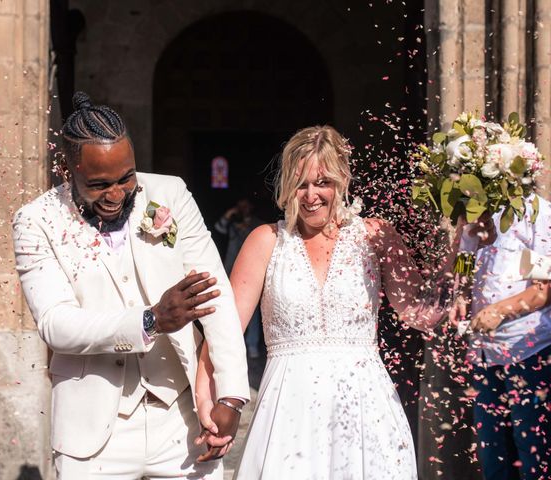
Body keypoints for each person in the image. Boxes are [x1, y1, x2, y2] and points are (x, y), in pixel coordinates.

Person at [195, 125, 491, 479]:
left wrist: (465, 246)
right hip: (288, 407)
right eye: (300, 184)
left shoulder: (376, 236)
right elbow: (224, 332)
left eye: (323, 182)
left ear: (343, 180)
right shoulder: (265, 241)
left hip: (366, 409)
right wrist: (211, 403)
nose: (310, 195)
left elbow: (421, 312)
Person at [13, 92, 250, 479]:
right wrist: (150, 320)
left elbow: (215, 295)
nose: (117, 194)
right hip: (93, 434)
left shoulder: (170, 194)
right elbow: (56, 324)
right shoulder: (35, 220)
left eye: (127, 177)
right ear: (67, 169)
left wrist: (233, 396)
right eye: (99, 184)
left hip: (181, 417)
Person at [449, 195, 551, 480]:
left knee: (533, 454)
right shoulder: (472, 210)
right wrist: (461, 295)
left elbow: (543, 288)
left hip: (527, 351)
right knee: (493, 457)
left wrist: (500, 310)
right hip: (484, 353)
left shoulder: (534, 212)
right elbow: (465, 259)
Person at [214, 198, 264, 358]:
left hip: (252, 271)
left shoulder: (258, 224)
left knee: (253, 310)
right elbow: (218, 229)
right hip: (230, 269)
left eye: (245, 205)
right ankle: (232, 345)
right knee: (228, 307)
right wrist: (229, 215)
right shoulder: (232, 222)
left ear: (251, 206)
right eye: (240, 205)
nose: (243, 208)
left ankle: (252, 345)